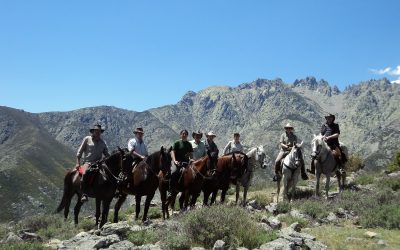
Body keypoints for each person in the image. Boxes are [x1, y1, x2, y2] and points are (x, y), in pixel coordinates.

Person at [76, 124, 110, 203]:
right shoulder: (87, 139)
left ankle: (110, 190)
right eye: (96, 131)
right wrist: (77, 162)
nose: (97, 132)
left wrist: (108, 157)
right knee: (85, 173)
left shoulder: (102, 142)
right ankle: (84, 193)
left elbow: (106, 153)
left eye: (99, 131)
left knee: (109, 173)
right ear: (93, 131)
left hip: (99, 163)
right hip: (88, 162)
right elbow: (80, 151)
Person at [169, 129, 194, 196]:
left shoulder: (189, 144)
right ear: (180, 135)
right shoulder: (177, 143)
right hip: (177, 162)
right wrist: (174, 160)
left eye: (185, 134)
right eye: (183, 134)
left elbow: (191, 153)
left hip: (186, 162)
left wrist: (191, 159)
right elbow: (172, 152)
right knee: (174, 172)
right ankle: (171, 190)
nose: (184, 135)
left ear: (187, 135)